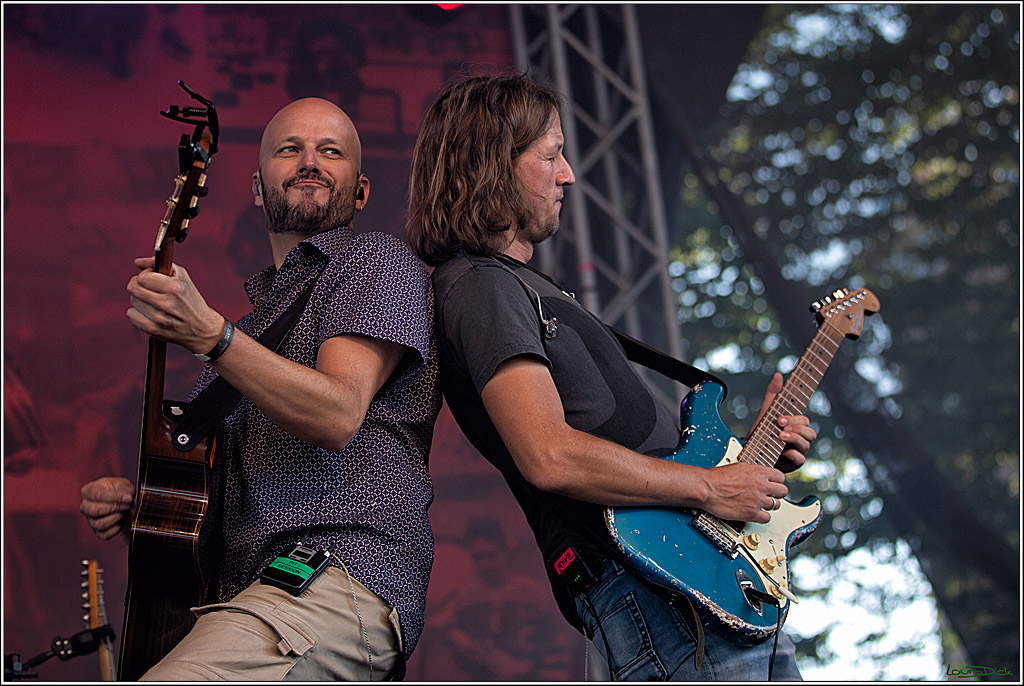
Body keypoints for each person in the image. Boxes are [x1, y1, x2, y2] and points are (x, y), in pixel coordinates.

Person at [405, 72, 818, 681]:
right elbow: (548, 454)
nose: (568, 174)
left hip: (680, 592)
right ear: (491, 168)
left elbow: (627, 450)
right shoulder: (481, 285)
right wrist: (709, 489)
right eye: (551, 155)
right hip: (657, 600)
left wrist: (744, 461)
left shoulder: (517, 286)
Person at [80, 97, 440, 680]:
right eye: (289, 149)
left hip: (335, 574)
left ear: (361, 191)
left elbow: (338, 412)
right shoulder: (250, 335)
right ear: (255, 186)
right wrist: (151, 514)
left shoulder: (377, 263)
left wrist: (210, 335)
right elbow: (212, 526)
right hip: (247, 598)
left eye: (330, 151)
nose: (310, 161)